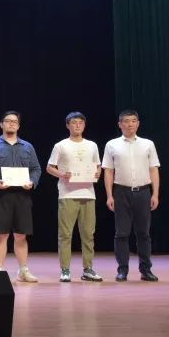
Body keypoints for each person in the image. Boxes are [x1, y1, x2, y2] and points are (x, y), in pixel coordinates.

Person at [0, 111, 42, 282]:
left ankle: (23, 270)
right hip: (1, 195)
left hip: (22, 196)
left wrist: (32, 182)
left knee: (21, 235)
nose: (11, 123)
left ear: (18, 125)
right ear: (1, 124)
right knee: (1, 235)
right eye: (8, 121)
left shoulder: (27, 147)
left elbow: (36, 168)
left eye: (15, 121)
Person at [102, 110, 161, 282]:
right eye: (126, 121)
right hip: (121, 192)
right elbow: (108, 172)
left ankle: (146, 269)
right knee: (121, 233)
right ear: (120, 124)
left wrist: (155, 194)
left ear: (138, 123)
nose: (130, 124)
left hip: (143, 192)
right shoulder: (112, 144)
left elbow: (153, 169)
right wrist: (109, 195)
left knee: (143, 233)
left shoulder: (148, 144)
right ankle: (122, 270)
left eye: (134, 121)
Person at [46, 112, 103, 283]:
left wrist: (97, 173)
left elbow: (98, 166)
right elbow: (49, 167)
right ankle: (65, 270)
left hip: (88, 194)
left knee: (88, 234)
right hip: (67, 194)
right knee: (65, 234)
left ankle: (88, 269)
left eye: (80, 122)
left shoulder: (92, 145)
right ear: (67, 125)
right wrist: (62, 174)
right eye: (74, 122)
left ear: (84, 125)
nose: (77, 125)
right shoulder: (61, 146)